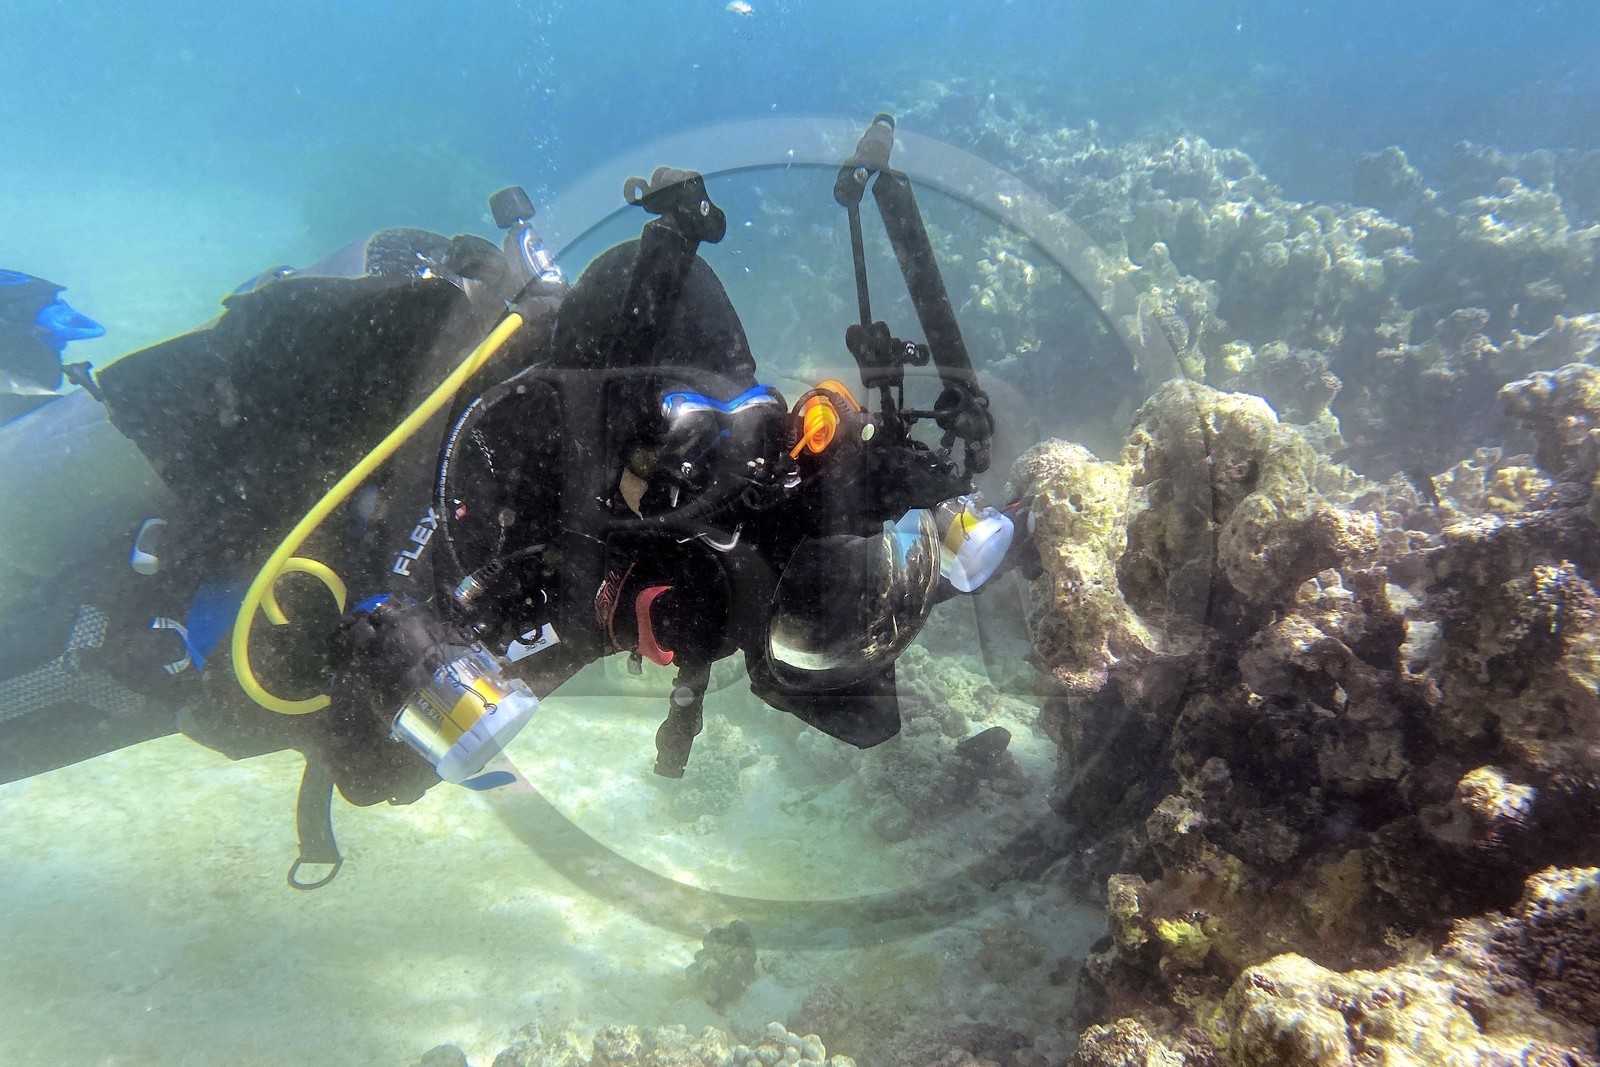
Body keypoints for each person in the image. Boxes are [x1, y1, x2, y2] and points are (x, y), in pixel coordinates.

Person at [0, 116, 1037, 885]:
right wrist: (389, 654)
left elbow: (390, 757)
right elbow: (330, 720)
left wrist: (931, 519)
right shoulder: (530, 471)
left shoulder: (737, 517)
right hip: (183, 503)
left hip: (254, 534)